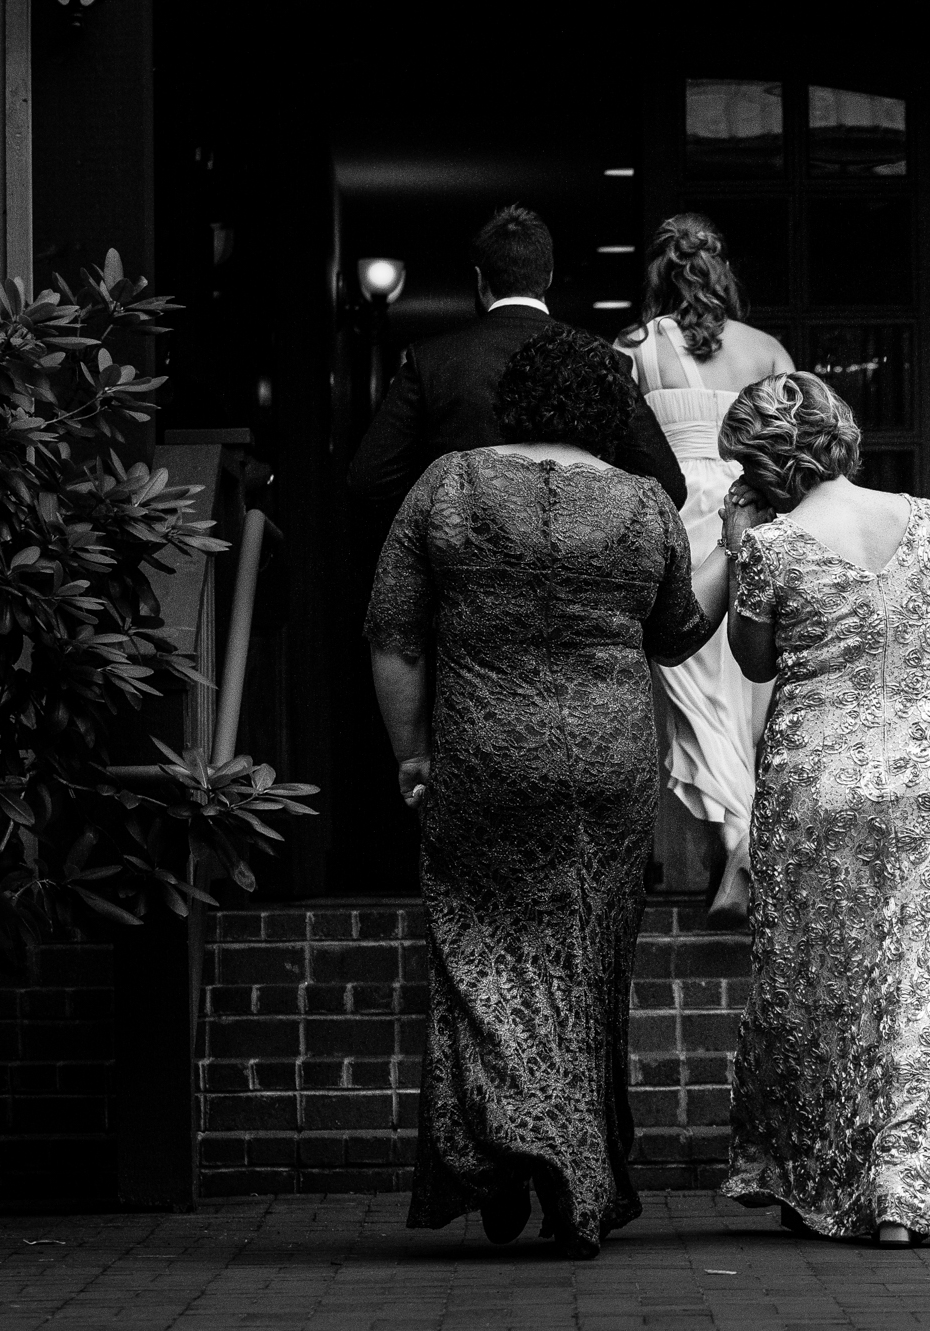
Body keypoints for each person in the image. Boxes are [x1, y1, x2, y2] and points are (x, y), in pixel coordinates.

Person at [364, 325, 726, 1259]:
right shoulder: (643, 502)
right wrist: (735, 542)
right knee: (590, 957)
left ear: (520, 398)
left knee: (481, 949)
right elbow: (678, 634)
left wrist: (411, 750)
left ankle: (518, 1151)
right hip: (608, 764)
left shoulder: (447, 484)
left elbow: (395, 635)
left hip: (485, 748)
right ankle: (575, 1166)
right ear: (607, 408)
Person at [712, 372, 930, 1246]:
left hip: (819, 772)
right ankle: (910, 1188)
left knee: (822, 977)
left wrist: (739, 545)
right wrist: (925, 712)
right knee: (924, 974)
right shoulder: (924, 519)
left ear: (766, 463)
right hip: (928, 770)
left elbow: (752, 659)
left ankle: (829, 1178)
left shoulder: (773, 547)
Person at [614, 213, 793, 928]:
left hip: (674, 529)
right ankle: (745, 846)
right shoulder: (767, 349)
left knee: (695, 696)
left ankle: (739, 837)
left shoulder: (630, 350)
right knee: (745, 695)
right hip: (747, 522)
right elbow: (792, 446)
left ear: (656, 274)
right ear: (720, 270)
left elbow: (614, 448)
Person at [349, 203, 686, 519]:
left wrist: (439, 518)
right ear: (549, 276)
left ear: (481, 279)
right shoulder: (603, 360)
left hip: (461, 563)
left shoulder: (432, 361)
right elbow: (667, 485)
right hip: (571, 562)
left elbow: (369, 480)